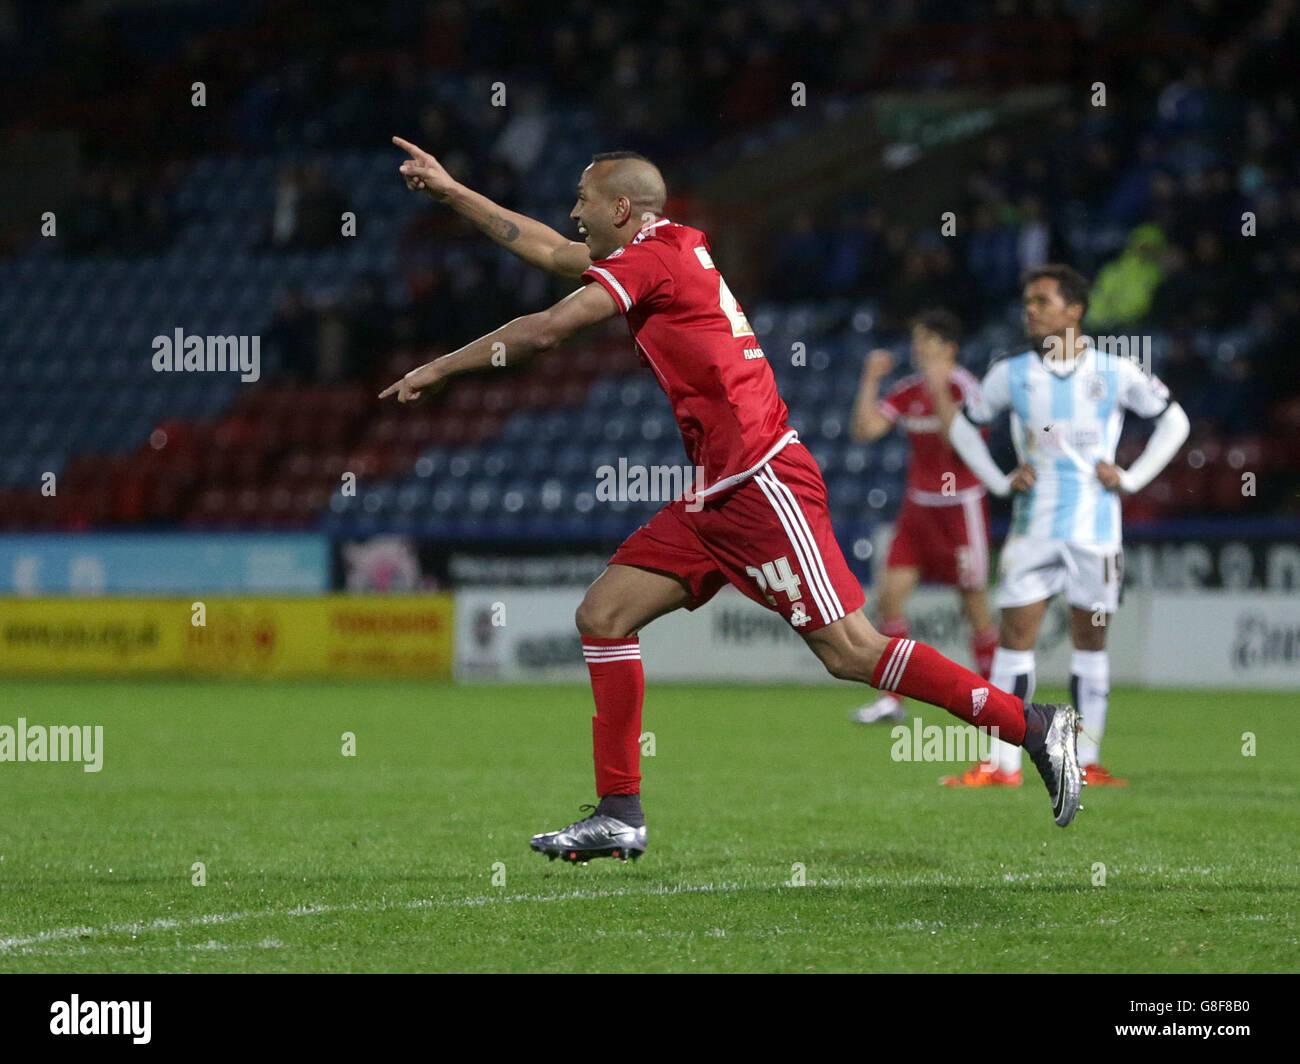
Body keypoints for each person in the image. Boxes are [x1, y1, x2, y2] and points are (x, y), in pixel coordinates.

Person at [381, 138, 1084, 860]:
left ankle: (1033, 726)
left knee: (850, 650)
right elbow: (555, 252)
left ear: (622, 208)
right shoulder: (661, 248)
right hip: (715, 493)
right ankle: (621, 811)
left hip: (760, 481)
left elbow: (548, 328)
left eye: (584, 201)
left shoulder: (655, 255)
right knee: (603, 615)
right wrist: (453, 191)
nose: (573, 212)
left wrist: (441, 367)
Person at [939, 265, 1189, 786]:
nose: (1029, 309)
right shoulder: (1010, 373)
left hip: (1096, 530)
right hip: (1033, 529)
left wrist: (1133, 477)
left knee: (1091, 643)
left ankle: (1087, 759)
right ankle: (1000, 764)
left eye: (1042, 301)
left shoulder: (1116, 371)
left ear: (1074, 310)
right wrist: (1001, 481)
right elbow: (963, 429)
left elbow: (1174, 421)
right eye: (1027, 301)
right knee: (1015, 640)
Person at [847, 309, 999, 726]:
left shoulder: (967, 388)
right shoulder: (906, 389)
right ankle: (891, 700)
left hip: (961, 508)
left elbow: (959, 440)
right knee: (889, 599)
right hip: (918, 509)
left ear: (949, 348)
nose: (918, 349)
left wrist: (938, 387)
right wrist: (871, 379)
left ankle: (996, 700)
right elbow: (865, 430)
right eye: (916, 340)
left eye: (927, 341)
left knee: (974, 605)